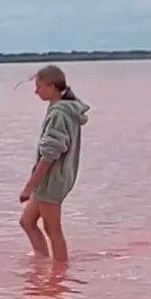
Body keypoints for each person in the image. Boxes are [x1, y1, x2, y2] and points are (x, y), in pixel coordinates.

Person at [19, 65, 90, 264]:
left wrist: (29, 186)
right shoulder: (63, 107)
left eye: (39, 86)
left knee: (53, 229)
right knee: (27, 221)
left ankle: (60, 273)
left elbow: (50, 154)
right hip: (50, 180)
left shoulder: (60, 113)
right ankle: (41, 262)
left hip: (52, 180)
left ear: (51, 86)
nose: (36, 91)